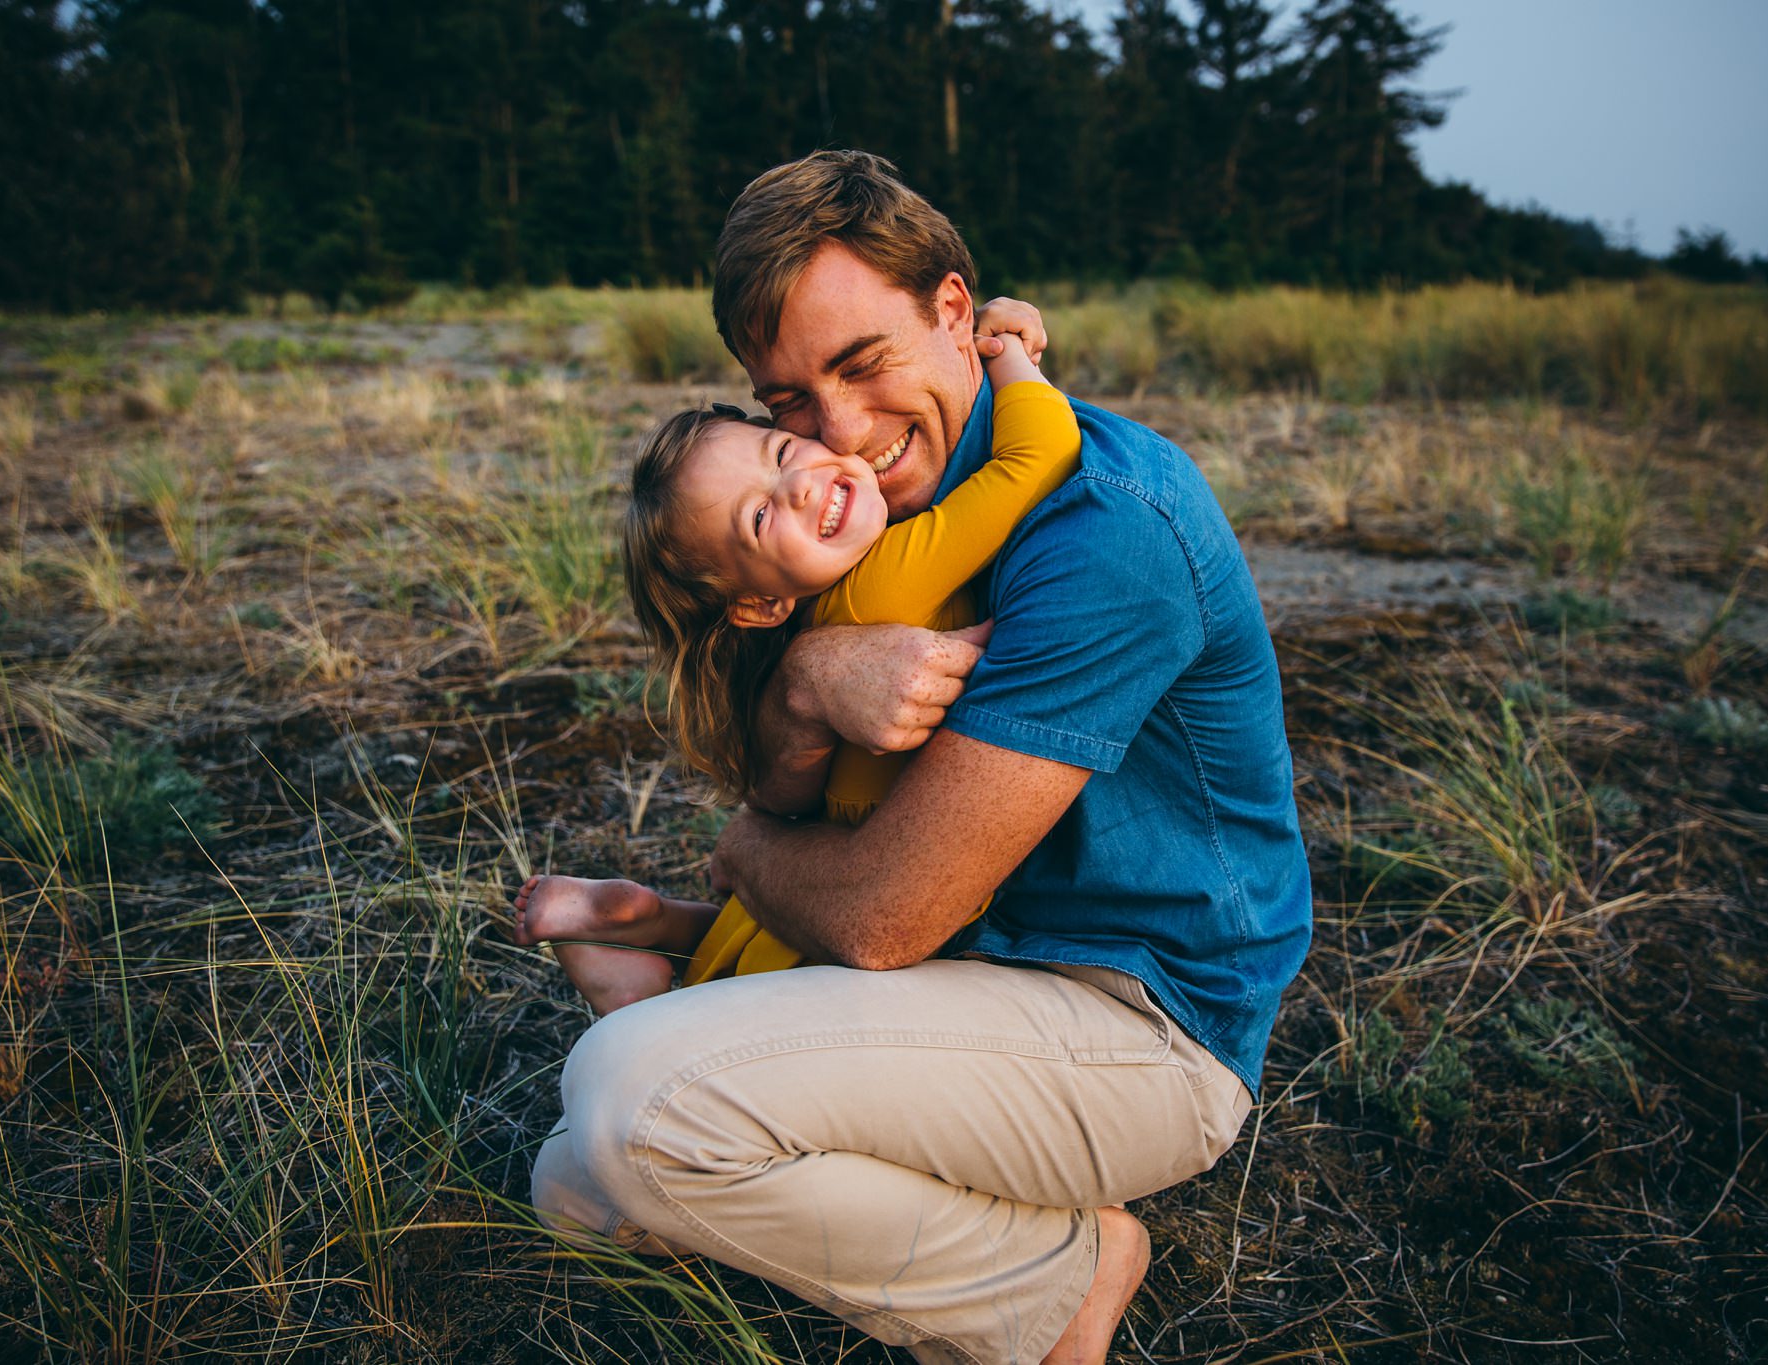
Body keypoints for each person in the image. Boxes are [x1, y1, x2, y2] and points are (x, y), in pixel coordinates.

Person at [525, 151, 1312, 1365]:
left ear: (954, 312)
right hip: (964, 973)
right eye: (787, 401)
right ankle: (945, 1200)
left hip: (1137, 1026)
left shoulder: (1104, 530)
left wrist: (745, 849)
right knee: (570, 1187)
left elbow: (883, 914)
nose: (840, 434)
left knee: (638, 1103)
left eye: (861, 364)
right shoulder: (852, 548)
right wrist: (800, 685)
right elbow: (818, 796)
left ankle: (1057, 1278)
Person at [510, 313, 1078, 1011]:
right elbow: (1041, 453)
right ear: (758, 604)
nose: (800, 487)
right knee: (708, 1030)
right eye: (757, 518)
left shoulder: (823, 606)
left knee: (733, 954)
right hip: (856, 911)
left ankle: (651, 928)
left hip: (815, 871)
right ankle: (632, 996)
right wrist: (1008, 352)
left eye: (781, 454)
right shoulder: (889, 581)